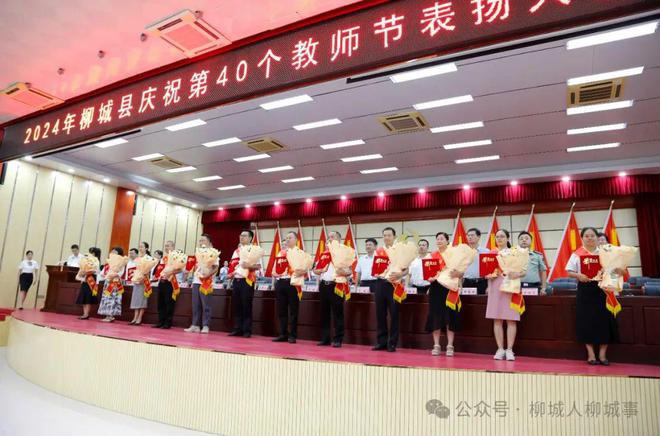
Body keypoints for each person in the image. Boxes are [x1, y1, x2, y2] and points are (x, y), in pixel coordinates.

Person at [566, 227, 620, 365]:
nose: (590, 238)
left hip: (603, 289)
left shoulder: (605, 253)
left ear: (597, 237)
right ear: (582, 238)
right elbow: (569, 271)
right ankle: (591, 354)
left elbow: (615, 271)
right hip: (585, 290)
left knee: (605, 321)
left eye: (592, 236)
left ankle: (602, 355)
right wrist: (579, 275)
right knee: (586, 321)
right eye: (587, 236)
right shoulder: (577, 254)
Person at [485, 229, 522, 361]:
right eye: (497, 237)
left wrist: (516, 273)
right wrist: (488, 279)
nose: (499, 239)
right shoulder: (491, 253)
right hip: (495, 286)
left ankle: (510, 349)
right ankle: (500, 349)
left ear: (507, 238)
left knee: (511, 319)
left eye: (502, 236)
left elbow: (522, 271)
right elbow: (486, 272)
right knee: (497, 319)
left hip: (510, 286)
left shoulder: (514, 253)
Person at [426, 232, 462, 356]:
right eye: (437, 239)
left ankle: (450, 345)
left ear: (447, 241)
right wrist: (429, 278)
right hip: (436, 288)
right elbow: (428, 273)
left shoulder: (454, 254)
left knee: (450, 316)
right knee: (435, 316)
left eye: (442, 238)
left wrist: (458, 277)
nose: (439, 240)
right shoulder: (432, 255)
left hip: (450, 289)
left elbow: (460, 272)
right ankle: (436, 345)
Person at [313, 230, 350, 347]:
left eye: (332, 237)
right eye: (328, 237)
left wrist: (342, 272)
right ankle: (325, 338)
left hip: (336, 286)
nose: (329, 239)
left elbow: (349, 272)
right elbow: (315, 270)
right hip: (324, 285)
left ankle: (338, 339)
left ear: (339, 240)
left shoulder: (343, 254)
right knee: (324, 313)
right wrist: (319, 270)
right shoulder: (324, 254)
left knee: (337, 313)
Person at [372, 227, 406, 352]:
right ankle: (381, 342)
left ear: (394, 237)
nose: (386, 237)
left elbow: (407, 269)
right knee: (380, 314)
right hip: (380, 283)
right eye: (384, 235)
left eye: (389, 235)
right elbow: (375, 267)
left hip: (394, 285)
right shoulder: (379, 251)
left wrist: (400, 274)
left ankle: (392, 343)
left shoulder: (400, 250)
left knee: (394, 314)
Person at [272, 231, 306, 344]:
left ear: (296, 240)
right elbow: (274, 270)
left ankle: (293, 335)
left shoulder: (300, 253)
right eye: (286, 238)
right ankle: (283, 334)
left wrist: (297, 271)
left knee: (293, 311)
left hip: (293, 284)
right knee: (281, 310)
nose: (287, 240)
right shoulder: (280, 253)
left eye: (290, 238)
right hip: (281, 282)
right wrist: (276, 273)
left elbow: (304, 269)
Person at [185, 234, 220, 334]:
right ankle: (195, 325)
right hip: (196, 281)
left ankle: (205, 325)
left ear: (209, 242)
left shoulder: (213, 253)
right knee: (195, 305)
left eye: (203, 240)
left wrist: (207, 275)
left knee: (206, 305)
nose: (201, 242)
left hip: (206, 281)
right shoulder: (198, 253)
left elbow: (215, 268)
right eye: (200, 241)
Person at [228, 230, 260, 337]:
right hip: (236, 280)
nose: (241, 237)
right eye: (241, 235)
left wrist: (248, 266)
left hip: (247, 280)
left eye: (244, 236)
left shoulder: (254, 250)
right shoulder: (236, 251)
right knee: (237, 305)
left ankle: (247, 330)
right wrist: (230, 274)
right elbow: (232, 265)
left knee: (246, 305)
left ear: (250, 238)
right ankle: (237, 329)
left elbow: (258, 266)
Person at [153, 241, 183, 329]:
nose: (166, 247)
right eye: (165, 246)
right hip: (162, 281)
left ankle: (168, 322)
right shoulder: (164, 258)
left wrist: (170, 273)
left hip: (171, 282)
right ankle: (160, 321)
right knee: (160, 302)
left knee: (169, 303)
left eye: (168, 246)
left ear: (173, 247)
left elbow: (180, 269)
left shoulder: (176, 256)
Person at [98, 247, 126, 323]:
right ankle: (107, 315)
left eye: (115, 252)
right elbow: (102, 273)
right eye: (112, 251)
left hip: (115, 282)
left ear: (119, 253)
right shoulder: (108, 262)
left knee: (113, 298)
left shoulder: (121, 262)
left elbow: (120, 273)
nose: (112, 253)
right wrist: (106, 276)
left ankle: (111, 316)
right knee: (106, 299)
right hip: (107, 282)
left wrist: (111, 275)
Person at [75, 247, 101, 319]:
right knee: (84, 297)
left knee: (88, 297)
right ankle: (84, 313)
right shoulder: (86, 260)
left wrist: (86, 272)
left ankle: (86, 314)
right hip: (85, 279)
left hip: (91, 279)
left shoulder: (96, 261)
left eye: (90, 252)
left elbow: (94, 270)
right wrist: (82, 272)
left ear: (94, 253)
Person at [462, 228, 490, 294]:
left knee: (481, 300)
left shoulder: (486, 252)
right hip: (467, 283)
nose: (470, 237)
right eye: (468, 235)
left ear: (479, 237)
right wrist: (460, 285)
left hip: (482, 282)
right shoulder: (463, 252)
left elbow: (489, 271)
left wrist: (489, 286)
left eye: (472, 235)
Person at [129, 241, 151, 326]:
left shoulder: (148, 258)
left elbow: (149, 270)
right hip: (137, 280)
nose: (140, 248)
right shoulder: (138, 258)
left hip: (144, 281)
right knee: (136, 299)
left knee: (142, 300)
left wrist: (143, 276)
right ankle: (135, 317)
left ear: (146, 248)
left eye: (142, 247)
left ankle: (139, 318)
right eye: (139, 247)